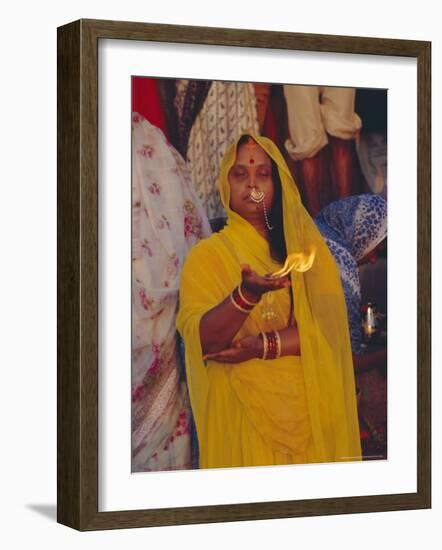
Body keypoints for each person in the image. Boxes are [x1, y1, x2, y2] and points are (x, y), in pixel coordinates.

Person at [176, 132, 361, 469]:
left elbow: (326, 333)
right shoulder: (206, 257)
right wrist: (246, 295)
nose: (252, 183)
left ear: (277, 185)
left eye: (263, 174)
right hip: (240, 415)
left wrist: (258, 345)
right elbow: (204, 340)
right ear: (225, 184)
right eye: (240, 174)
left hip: (305, 411)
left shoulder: (303, 254)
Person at [315, 194, 387, 370]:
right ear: (362, 232)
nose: (371, 260)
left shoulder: (315, 228)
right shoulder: (341, 264)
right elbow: (349, 361)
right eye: (375, 250)